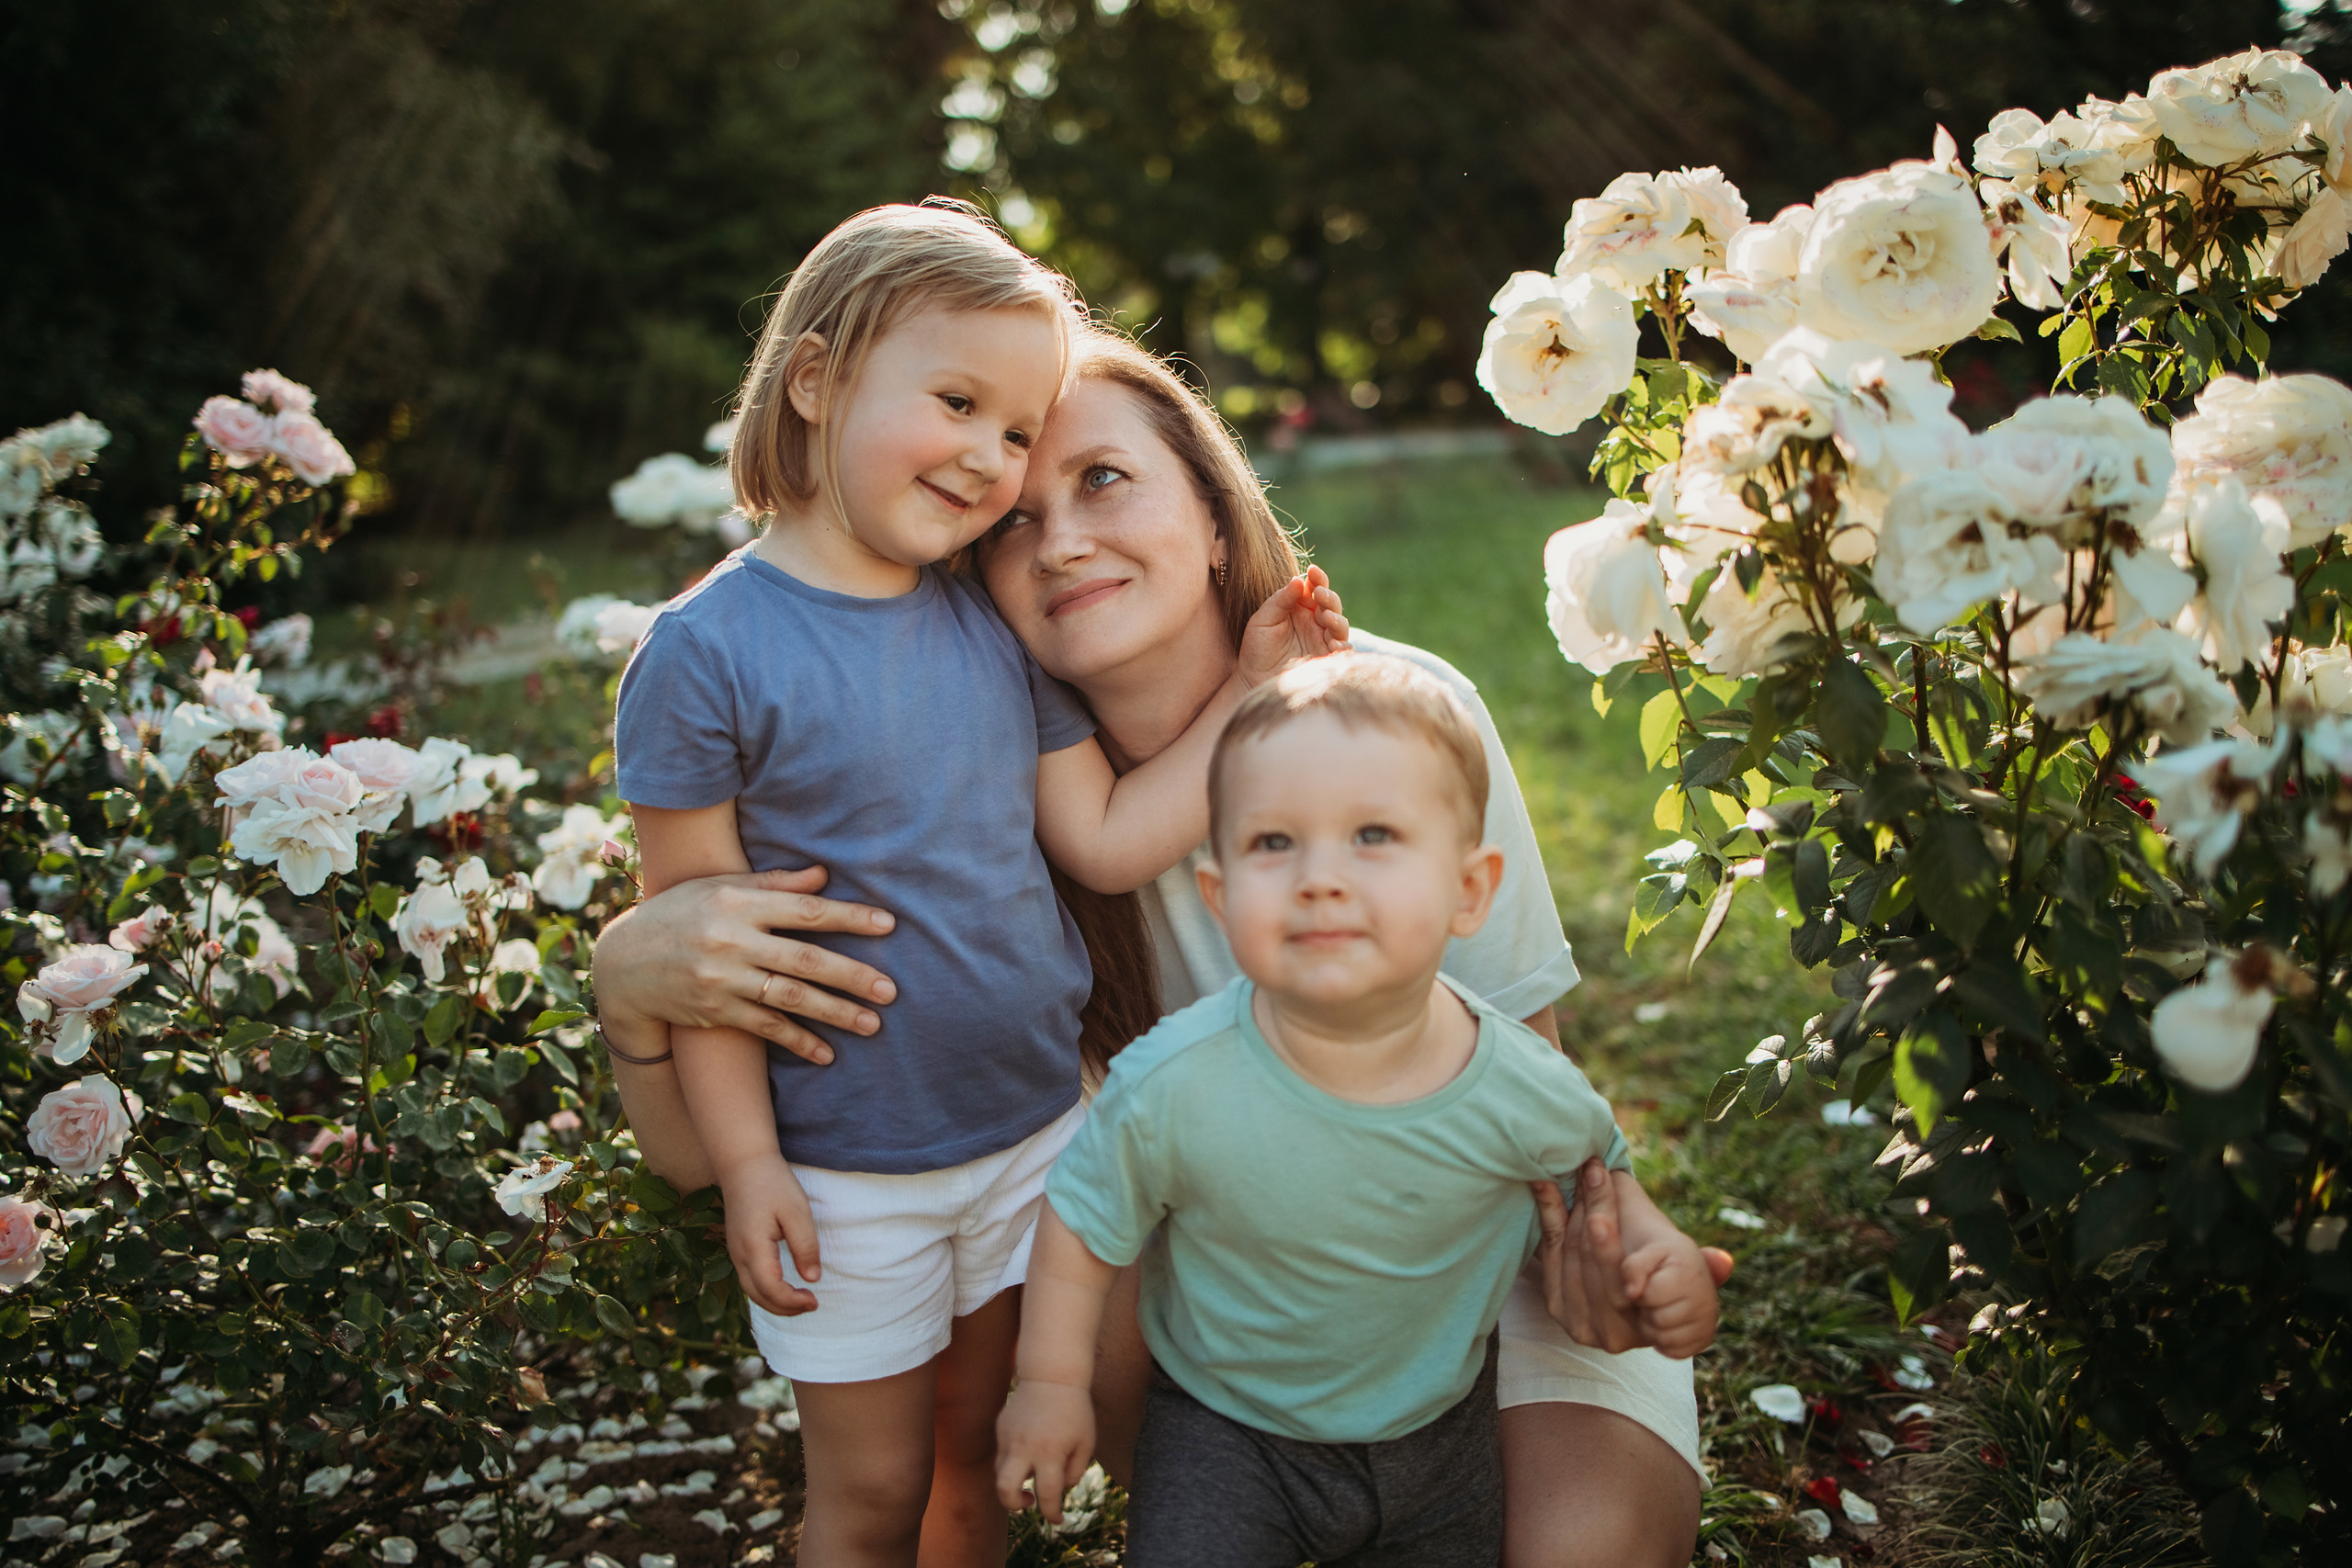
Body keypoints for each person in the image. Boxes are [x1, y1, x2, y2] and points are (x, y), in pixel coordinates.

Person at [594, 327, 1730, 1568]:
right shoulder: (970, 840)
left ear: (1213, 508)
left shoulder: (1396, 726)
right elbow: (695, 1159)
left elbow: (1535, 1084)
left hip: (1472, 1269)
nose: (1061, 539)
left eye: (1103, 481)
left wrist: (1604, 1249)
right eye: (1013, 524)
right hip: (1236, 1343)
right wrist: (632, 989)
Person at [613, 201, 1346, 1568]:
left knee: (974, 1470)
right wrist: (752, 1163)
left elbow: (1114, 837)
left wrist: (1254, 695)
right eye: (957, 402)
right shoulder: (704, 654)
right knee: (873, 1492)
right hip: (845, 1168)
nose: (993, 461)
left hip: (1027, 1139)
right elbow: (702, 951)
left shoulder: (989, 626)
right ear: (818, 382)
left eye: (1016, 431)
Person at [994, 656, 1720, 1568]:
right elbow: (1083, 1219)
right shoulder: (1175, 1079)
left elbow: (1596, 1175)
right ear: (1221, 899)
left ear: (1469, 890)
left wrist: (1657, 1259)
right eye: (1273, 844)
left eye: (1372, 835)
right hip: (1224, 1429)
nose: (1320, 878)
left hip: (1437, 1434)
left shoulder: (1510, 1079)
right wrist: (1053, 1383)